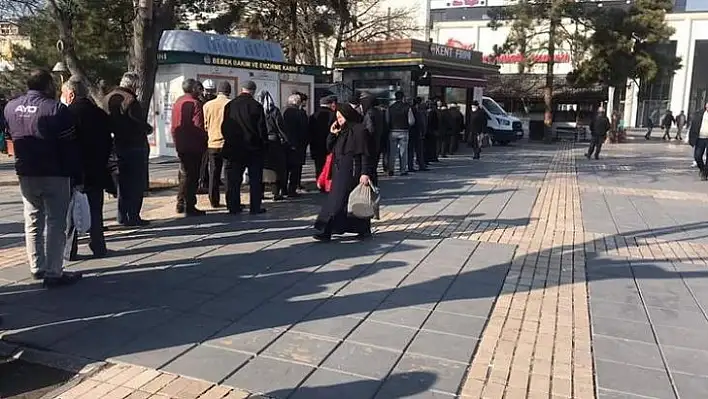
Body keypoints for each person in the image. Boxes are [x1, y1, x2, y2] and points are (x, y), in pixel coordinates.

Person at [3, 69, 83, 287]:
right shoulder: (56, 109)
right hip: (54, 172)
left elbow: (10, 137)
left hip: (26, 172)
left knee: (32, 219)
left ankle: (36, 266)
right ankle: (54, 271)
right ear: (48, 85)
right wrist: (76, 174)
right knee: (56, 223)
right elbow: (69, 145)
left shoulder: (10, 107)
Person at [61, 78, 113, 260]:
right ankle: (98, 246)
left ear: (71, 94)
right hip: (97, 169)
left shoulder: (66, 114)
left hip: (75, 171)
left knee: (72, 211)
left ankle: (70, 250)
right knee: (95, 210)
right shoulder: (99, 113)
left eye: (64, 94)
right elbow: (108, 142)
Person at [313, 103, 375, 242]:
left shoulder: (359, 130)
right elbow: (329, 148)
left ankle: (326, 230)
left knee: (349, 201)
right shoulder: (341, 131)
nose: (339, 120)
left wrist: (365, 173)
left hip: (352, 171)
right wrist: (332, 134)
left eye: (341, 117)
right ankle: (357, 229)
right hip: (339, 171)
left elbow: (364, 154)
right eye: (337, 118)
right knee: (339, 201)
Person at [104, 72, 152, 226]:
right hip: (134, 146)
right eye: (136, 86)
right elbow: (137, 123)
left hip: (115, 146)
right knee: (136, 183)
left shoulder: (107, 98)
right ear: (132, 85)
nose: (137, 89)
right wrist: (148, 128)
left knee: (122, 184)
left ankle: (121, 215)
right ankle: (133, 216)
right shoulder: (130, 101)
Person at [221, 80, 268, 214]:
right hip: (253, 149)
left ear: (242, 89)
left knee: (233, 180)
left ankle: (233, 206)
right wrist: (263, 145)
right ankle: (255, 207)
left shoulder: (230, 105)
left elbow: (224, 126)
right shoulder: (256, 106)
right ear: (253, 91)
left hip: (234, 148)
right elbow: (262, 130)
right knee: (255, 180)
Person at [171, 78, 208, 216]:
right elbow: (198, 126)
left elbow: (174, 125)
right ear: (193, 89)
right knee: (192, 176)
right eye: (198, 88)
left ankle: (180, 202)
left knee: (184, 174)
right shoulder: (195, 104)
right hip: (194, 146)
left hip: (181, 144)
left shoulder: (178, 102)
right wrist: (205, 138)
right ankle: (189, 205)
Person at [203, 80, 231, 208]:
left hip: (212, 143)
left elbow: (205, 125)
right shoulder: (230, 104)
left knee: (213, 173)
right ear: (228, 91)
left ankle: (214, 200)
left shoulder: (207, 105)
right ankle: (230, 199)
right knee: (229, 174)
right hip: (227, 143)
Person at [258, 90, 288, 200]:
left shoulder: (257, 109)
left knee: (262, 168)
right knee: (276, 168)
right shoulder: (274, 111)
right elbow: (280, 127)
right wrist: (286, 140)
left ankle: (260, 193)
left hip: (261, 142)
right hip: (274, 142)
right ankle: (276, 193)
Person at [282, 94, 308, 197]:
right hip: (297, 145)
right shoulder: (299, 114)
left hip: (284, 144)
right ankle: (292, 190)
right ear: (298, 102)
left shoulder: (283, 111)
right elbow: (304, 130)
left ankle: (283, 189)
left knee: (285, 168)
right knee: (295, 169)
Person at [361, 93, 388, 185]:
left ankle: (370, 184)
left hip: (371, 142)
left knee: (369, 165)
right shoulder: (379, 112)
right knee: (374, 165)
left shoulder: (369, 113)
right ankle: (374, 183)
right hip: (378, 141)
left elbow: (370, 129)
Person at [310, 95, 337, 181]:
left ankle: (319, 181)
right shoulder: (333, 115)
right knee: (329, 164)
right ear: (329, 104)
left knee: (318, 165)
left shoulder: (313, 116)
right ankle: (328, 182)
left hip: (316, 145)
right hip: (329, 145)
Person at [387, 91, 415, 176]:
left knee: (392, 152)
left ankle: (391, 169)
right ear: (403, 97)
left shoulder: (390, 108)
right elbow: (411, 121)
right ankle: (402, 170)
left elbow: (387, 120)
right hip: (404, 131)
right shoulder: (407, 107)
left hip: (393, 131)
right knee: (403, 152)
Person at [408, 97, 427, 172]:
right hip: (417, 132)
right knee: (419, 150)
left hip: (411, 132)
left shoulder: (410, 109)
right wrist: (423, 132)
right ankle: (421, 165)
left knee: (411, 150)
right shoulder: (419, 111)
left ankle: (410, 166)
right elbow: (421, 123)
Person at [689, 103, 708, 180]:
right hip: (700, 138)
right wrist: (691, 138)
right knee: (697, 156)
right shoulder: (699, 114)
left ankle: (705, 174)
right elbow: (693, 126)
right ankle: (702, 169)